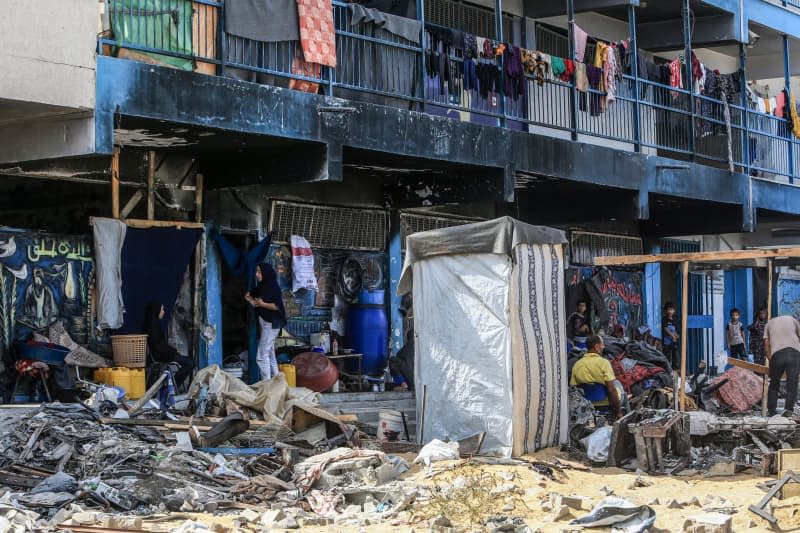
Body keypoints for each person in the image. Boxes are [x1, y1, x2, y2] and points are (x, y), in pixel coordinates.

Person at [245, 263, 286, 381]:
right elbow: (257, 304)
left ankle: (266, 386)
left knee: (261, 357)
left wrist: (262, 304)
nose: (257, 275)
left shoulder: (273, 286)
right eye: (256, 272)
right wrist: (250, 299)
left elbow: (277, 306)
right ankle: (277, 382)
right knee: (270, 353)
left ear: (265, 273)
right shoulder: (262, 286)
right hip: (266, 322)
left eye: (259, 272)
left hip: (271, 323)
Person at [570, 335, 624, 419]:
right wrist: (618, 411)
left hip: (586, 403)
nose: (604, 347)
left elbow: (574, 389)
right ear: (596, 346)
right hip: (604, 402)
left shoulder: (577, 364)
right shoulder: (604, 363)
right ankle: (623, 417)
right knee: (619, 387)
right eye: (602, 344)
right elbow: (611, 390)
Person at [144, 302, 195, 390]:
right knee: (190, 363)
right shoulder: (153, 328)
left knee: (190, 362)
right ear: (157, 311)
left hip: (164, 354)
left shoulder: (154, 325)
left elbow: (161, 346)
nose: (163, 312)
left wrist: (173, 351)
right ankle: (172, 387)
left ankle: (172, 386)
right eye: (162, 310)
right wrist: (174, 352)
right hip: (162, 356)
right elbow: (159, 347)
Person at [763, 314, 800, 416]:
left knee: (774, 384)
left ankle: (771, 411)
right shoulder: (793, 320)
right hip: (794, 353)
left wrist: (771, 359)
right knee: (792, 384)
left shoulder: (769, 323)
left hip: (777, 354)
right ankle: (788, 410)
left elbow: (766, 344)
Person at [662, 302, 680, 368]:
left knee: (675, 357)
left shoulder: (675, 318)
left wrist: (676, 335)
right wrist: (672, 336)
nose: (670, 311)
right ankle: (668, 371)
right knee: (667, 357)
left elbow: (675, 329)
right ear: (666, 310)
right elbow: (665, 328)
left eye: (672, 310)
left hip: (674, 341)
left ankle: (675, 370)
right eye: (668, 310)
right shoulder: (664, 319)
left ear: (674, 310)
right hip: (667, 342)